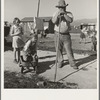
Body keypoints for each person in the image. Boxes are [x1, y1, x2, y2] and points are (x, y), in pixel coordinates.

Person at [52, 0, 78, 69]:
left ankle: (72, 63)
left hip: (66, 35)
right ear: (58, 8)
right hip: (57, 34)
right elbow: (53, 21)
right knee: (58, 49)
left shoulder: (69, 13)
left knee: (68, 50)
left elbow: (70, 20)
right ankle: (60, 61)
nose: (61, 9)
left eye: (63, 7)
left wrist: (64, 15)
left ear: (65, 7)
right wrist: (58, 16)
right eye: (60, 7)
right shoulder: (55, 13)